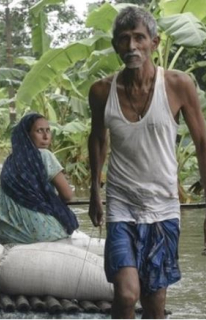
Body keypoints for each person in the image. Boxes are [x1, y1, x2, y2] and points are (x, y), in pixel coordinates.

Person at [87, 6, 206, 319]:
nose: (132, 46)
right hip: (121, 206)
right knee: (126, 295)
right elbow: (97, 138)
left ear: (154, 42)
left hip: (164, 207)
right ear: (115, 46)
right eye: (124, 39)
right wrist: (94, 190)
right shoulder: (101, 91)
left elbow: (203, 143)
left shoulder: (178, 85)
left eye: (139, 38)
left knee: (154, 305)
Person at [0, 113, 78, 244]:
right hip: (40, 234)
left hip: (4, 233)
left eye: (48, 130)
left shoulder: (10, 162)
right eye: (39, 131)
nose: (46, 136)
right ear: (26, 135)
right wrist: (50, 203)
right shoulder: (45, 155)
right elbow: (67, 195)